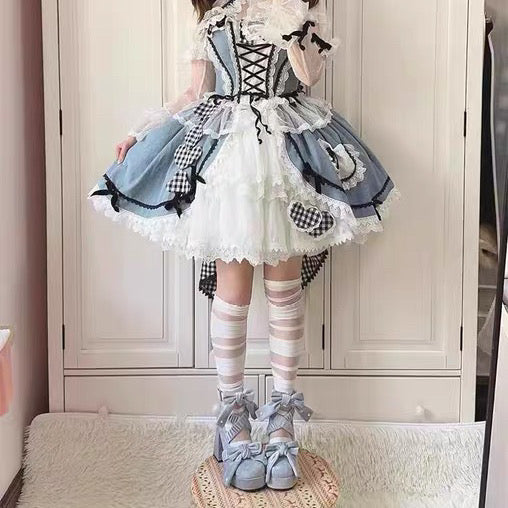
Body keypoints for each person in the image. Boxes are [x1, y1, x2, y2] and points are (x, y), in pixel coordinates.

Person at [89, 0, 399, 492]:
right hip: (229, 159)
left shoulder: (300, 14)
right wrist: (139, 132)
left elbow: (309, 77)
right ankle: (232, 419)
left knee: (284, 291)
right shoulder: (215, 17)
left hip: (287, 154)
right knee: (232, 293)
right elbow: (195, 92)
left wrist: (293, 22)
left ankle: (282, 421)